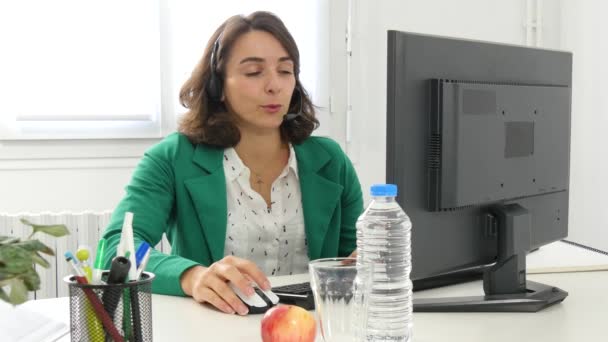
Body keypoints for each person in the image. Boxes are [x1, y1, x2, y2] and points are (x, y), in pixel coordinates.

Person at [101, 11, 363, 315]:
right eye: (254, 72)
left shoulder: (330, 160)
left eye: (285, 71)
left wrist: (366, 260)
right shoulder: (172, 158)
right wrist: (191, 276)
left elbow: (352, 257)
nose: (274, 86)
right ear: (218, 86)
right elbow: (116, 251)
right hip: (215, 327)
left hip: (311, 327)